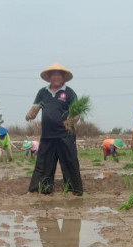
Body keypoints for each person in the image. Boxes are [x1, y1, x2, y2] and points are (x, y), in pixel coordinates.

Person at [25, 63, 83, 195]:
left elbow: (77, 113)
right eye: (53, 75)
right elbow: (35, 108)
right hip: (47, 135)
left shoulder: (69, 92)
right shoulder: (42, 92)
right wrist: (30, 115)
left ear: (63, 77)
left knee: (70, 162)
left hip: (65, 135)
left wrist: (71, 121)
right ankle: (40, 189)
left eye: (59, 75)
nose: (56, 77)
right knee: (43, 164)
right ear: (49, 77)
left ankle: (74, 190)